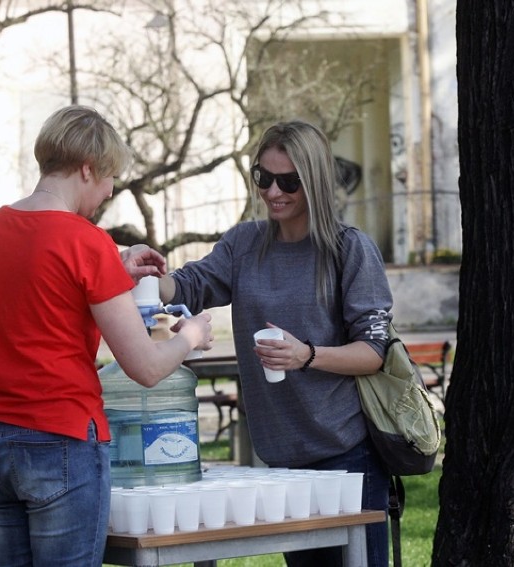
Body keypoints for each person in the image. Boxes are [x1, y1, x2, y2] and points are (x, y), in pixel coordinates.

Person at [0, 105, 213, 567]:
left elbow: (40, 290)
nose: (108, 191)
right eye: (108, 179)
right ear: (86, 169)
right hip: (60, 439)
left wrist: (112, 270)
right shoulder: (87, 241)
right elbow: (144, 367)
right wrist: (191, 336)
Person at [159, 119, 393, 566]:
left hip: (347, 456)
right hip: (283, 460)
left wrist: (305, 355)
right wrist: (151, 279)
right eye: (263, 178)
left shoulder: (349, 249)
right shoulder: (244, 243)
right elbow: (191, 285)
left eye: (288, 181)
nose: (272, 192)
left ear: (315, 182)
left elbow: (373, 353)